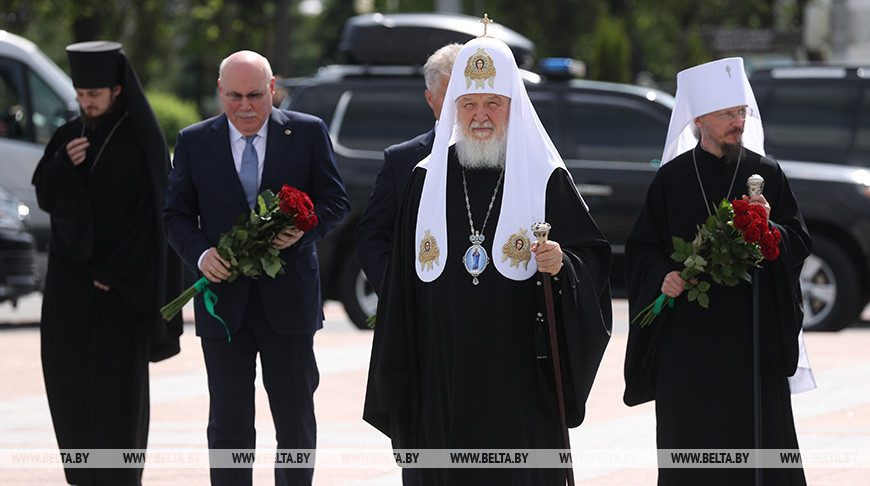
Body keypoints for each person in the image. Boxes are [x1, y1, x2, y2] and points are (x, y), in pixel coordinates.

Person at [363, 34, 612, 485]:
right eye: (468, 103)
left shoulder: (545, 177)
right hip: (443, 369)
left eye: (492, 103)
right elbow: (402, 283)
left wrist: (562, 263)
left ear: (514, 105)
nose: (479, 116)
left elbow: (591, 260)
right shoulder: (425, 180)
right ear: (453, 108)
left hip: (519, 374)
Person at [623, 57, 812, 485]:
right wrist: (662, 276)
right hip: (688, 345)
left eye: (741, 112)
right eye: (728, 113)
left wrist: (771, 229)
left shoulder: (766, 173)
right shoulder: (670, 180)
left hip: (752, 339)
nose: (738, 122)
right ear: (699, 118)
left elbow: (798, 241)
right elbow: (641, 250)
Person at [163, 50, 348, 486]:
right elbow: (175, 216)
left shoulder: (305, 133)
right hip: (223, 304)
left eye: (254, 95)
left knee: (295, 422)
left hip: (290, 302)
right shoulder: (194, 140)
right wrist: (203, 255)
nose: (245, 107)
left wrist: (304, 230)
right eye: (234, 96)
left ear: (273, 90)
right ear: (219, 94)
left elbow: (335, 201)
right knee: (228, 425)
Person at [32, 41, 183, 485]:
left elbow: (152, 221)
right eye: (81, 95)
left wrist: (114, 274)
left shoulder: (139, 143)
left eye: (94, 94)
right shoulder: (68, 136)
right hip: (69, 296)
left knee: (118, 404)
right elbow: (47, 197)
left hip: (120, 298)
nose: (87, 102)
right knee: (70, 392)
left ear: (117, 89)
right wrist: (63, 165)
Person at [355, 43, 462, 296]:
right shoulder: (401, 160)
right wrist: (396, 296)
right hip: (423, 306)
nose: (462, 106)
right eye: (451, 96)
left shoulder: (504, 155)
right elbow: (372, 236)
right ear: (430, 99)